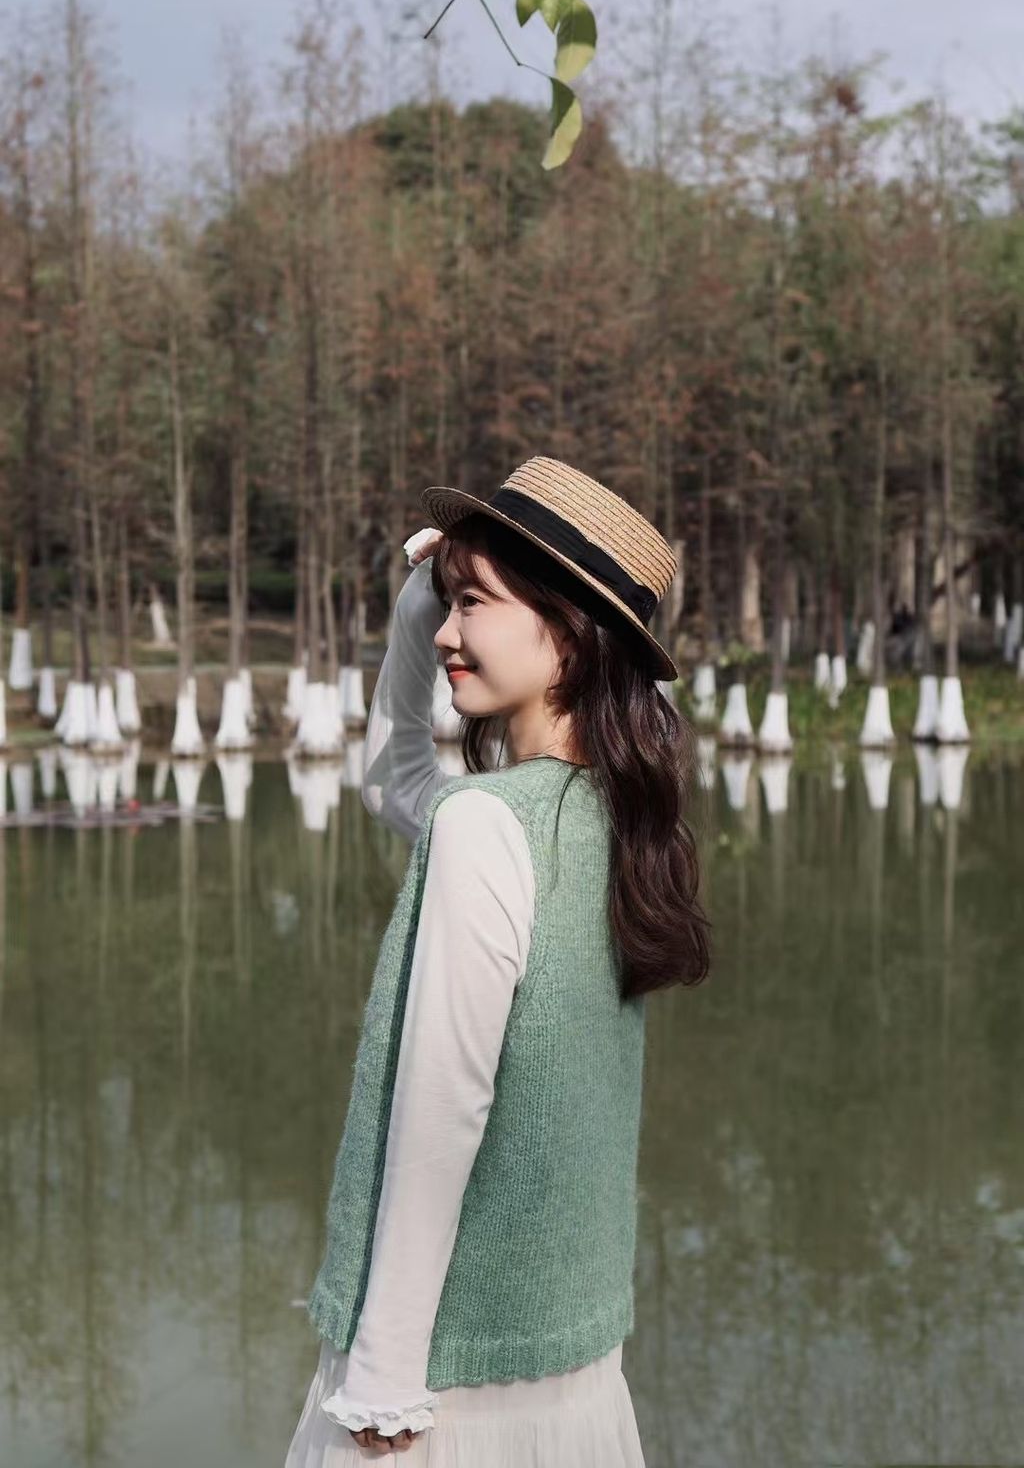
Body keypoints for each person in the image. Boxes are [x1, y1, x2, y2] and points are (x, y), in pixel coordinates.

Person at [285, 455, 711, 1466]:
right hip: (572, 1383)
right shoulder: (612, 819)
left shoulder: (486, 824)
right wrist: (415, 611)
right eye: (447, 605)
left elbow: (442, 1112)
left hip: (442, 1396)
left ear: (567, 630)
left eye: (471, 604)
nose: (447, 632)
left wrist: (383, 1380)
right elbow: (395, 781)